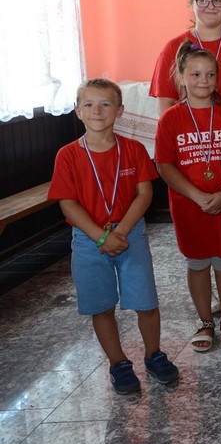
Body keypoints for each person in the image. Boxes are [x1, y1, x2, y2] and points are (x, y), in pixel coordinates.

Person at [49, 79, 178, 394]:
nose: (97, 111)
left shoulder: (133, 149)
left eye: (105, 104)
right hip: (88, 238)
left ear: (120, 111)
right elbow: (68, 203)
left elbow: (144, 194)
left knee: (146, 300)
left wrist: (119, 232)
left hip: (129, 232)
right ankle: (118, 363)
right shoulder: (67, 155)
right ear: (78, 111)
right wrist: (100, 237)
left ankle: (154, 354)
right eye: (89, 104)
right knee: (101, 305)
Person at [154, 42, 221, 352]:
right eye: (195, 74)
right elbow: (164, 165)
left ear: (218, 77)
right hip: (189, 206)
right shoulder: (170, 119)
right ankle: (205, 320)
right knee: (197, 263)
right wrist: (197, 196)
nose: (203, 81)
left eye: (210, 74)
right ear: (181, 77)